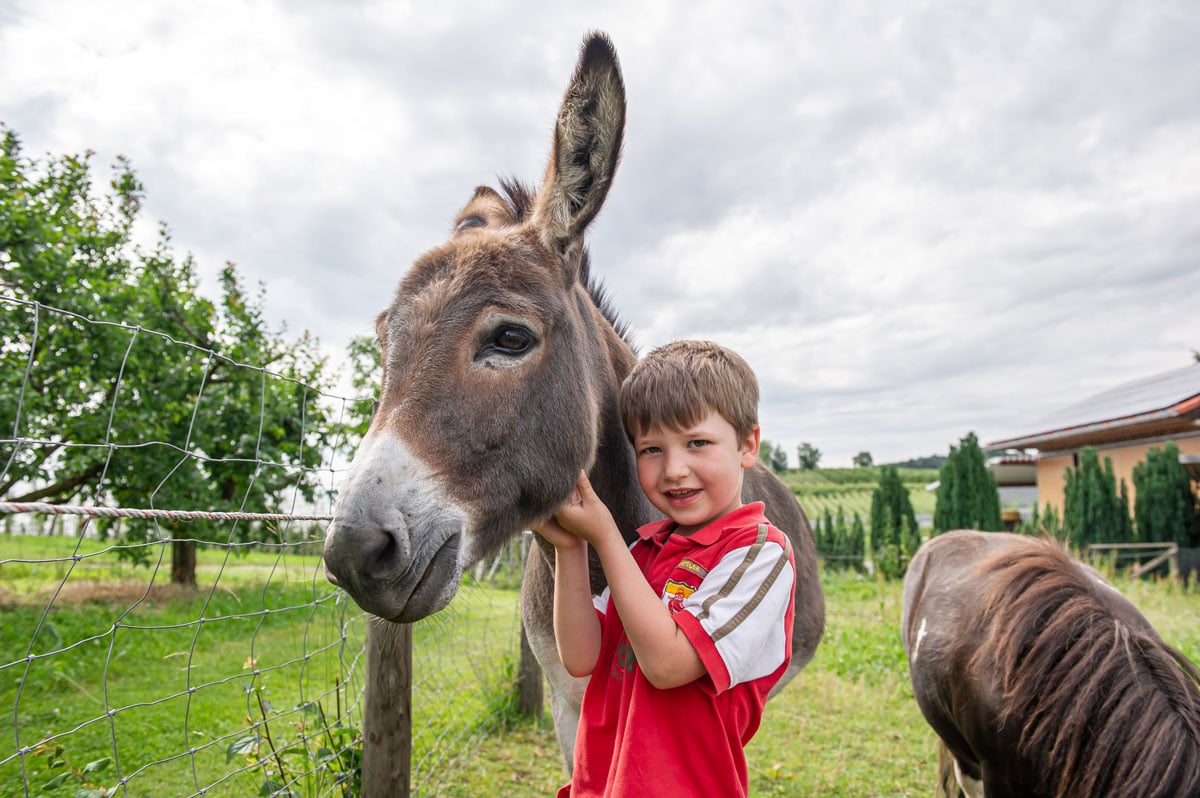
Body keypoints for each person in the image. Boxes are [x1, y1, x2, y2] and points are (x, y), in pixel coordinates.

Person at [537, 339, 797, 797]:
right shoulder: (644, 552)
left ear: (747, 445)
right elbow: (580, 658)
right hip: (599, 785)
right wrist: (572, 549)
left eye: (697, 443)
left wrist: (605, 537)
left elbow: (670, 665)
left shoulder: (759, 553)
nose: (675, 469)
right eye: (651, 449)